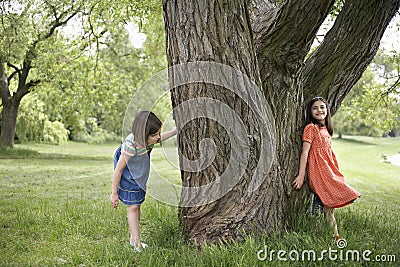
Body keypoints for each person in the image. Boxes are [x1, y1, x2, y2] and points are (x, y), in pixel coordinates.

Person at [292, 96, 360, 240]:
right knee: (322, 204)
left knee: (329, 206)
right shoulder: (311, 128)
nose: (319, 110)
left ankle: (334, 235)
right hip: (319, 172)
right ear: (310, 111)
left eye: (322, 107)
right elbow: (305, 152)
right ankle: (319, 235)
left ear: (327, 109)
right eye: (315, 108)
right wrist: (301, 175)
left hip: (329, 170)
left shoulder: (326, 129)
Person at [110, 111, 177, 252]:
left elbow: (160, 138)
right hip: (128, 178)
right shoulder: (131, 145)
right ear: (143, 135)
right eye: (154, 135)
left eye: (159, 133)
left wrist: (176, 131)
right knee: (133, 207)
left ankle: (133, 238)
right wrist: (114, 193)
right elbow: (119, 170)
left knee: (137, 206)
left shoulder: (149, 140)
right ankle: (136, 243)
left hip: (139, 177)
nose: (158, 137)